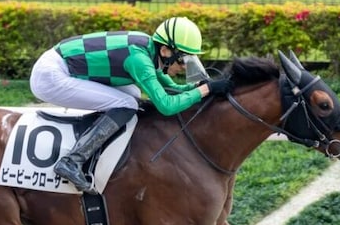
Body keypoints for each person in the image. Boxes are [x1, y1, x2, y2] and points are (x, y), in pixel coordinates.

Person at [30, 16, 232, 193]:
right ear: (165, 50)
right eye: (183, 61)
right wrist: (205, 91)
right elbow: (166, 105)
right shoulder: (139, 60)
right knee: (127, 103)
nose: (184, 67)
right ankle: (72, 160)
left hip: (63, 65)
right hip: (51, 76)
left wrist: (198, 86)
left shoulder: (149, 49)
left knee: (133, 95)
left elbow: (169, 87)